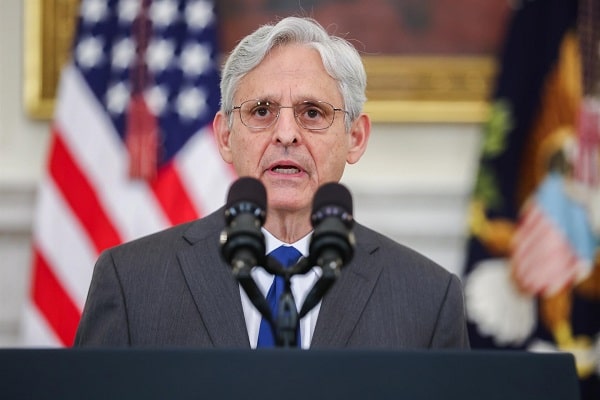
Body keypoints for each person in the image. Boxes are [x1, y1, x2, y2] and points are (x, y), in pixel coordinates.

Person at [74, 16, 470, 349]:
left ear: (355, 137)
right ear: (225, 137)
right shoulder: (131, 282)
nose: (286, 134)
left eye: (312, 112)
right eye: (261, 111)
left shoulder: (428, 299)